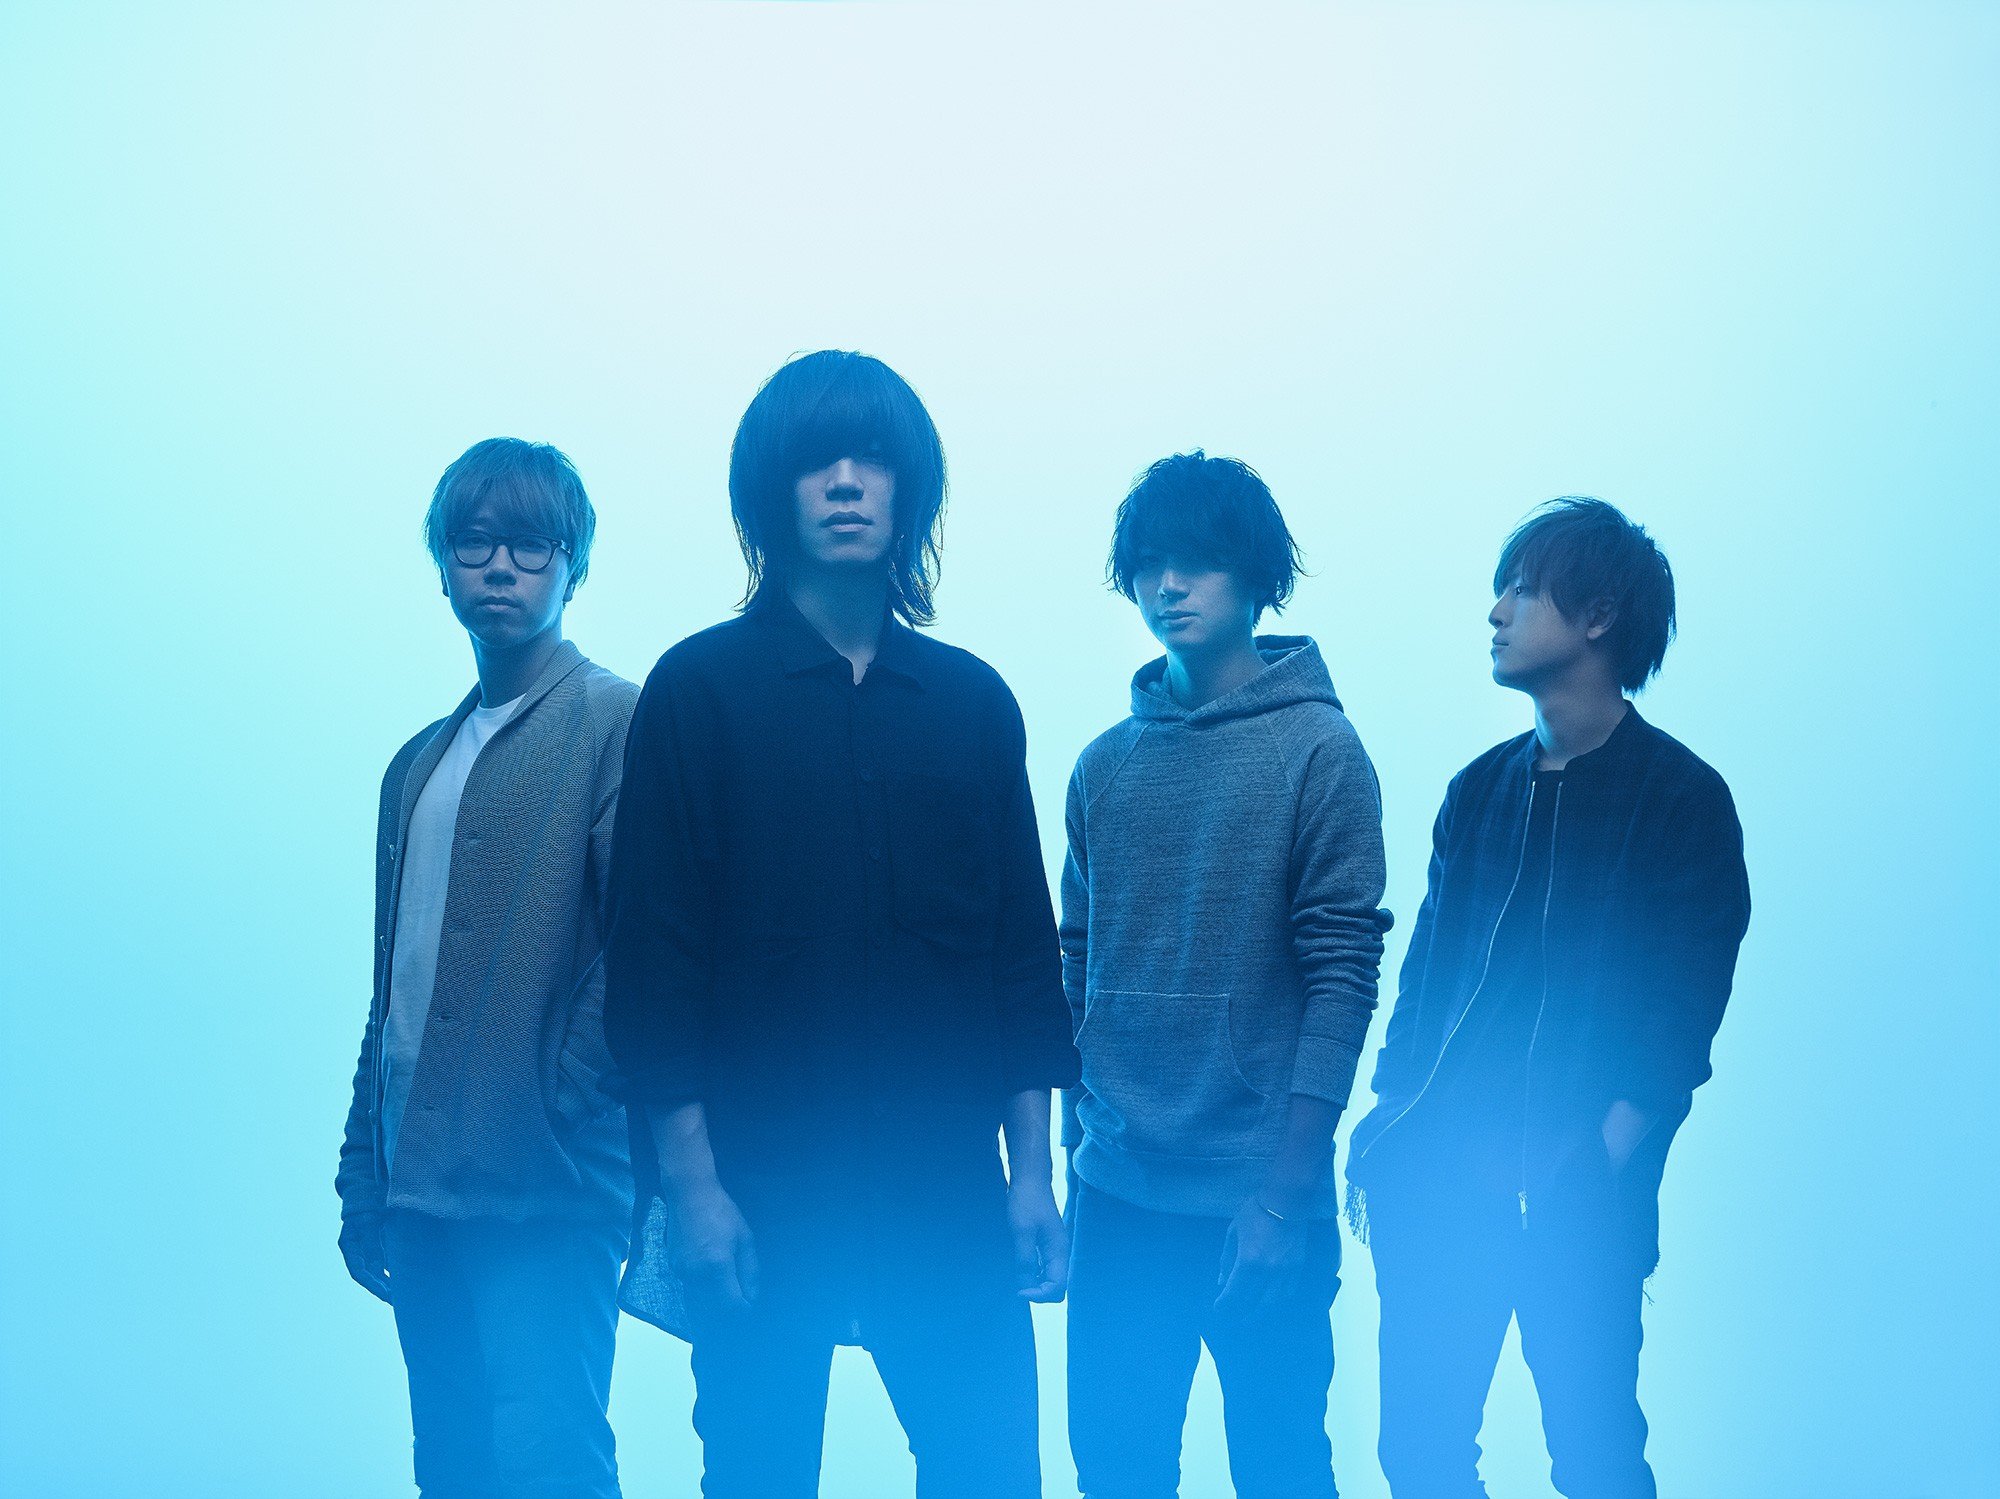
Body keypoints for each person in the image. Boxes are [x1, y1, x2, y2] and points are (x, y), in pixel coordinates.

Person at [605, 350, 1078, 1499]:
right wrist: (692, 1190)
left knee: (989, 1471)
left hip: (946, 1185)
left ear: (910, 489)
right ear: (770, 492)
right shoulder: (697, 691)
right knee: (758, 1473)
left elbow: (1021, 953)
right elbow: (654, 963)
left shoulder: (971, 702)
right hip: (759, 1184)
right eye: (816, 459)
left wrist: (1030, 1174)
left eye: (873, 457)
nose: (847, 480)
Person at [1346, 497, 1752, 1499]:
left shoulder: (1681, 798)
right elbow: (1426, 977)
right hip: (1443, 1181)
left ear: (1599, 614)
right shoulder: (1478, 790)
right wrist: (1391, 1112)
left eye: (1522, 590)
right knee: (1422, 1457)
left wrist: (1597, 1158)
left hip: (1578, 1194)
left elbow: (1681, 1011)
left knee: (1595, 1458)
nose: (1495, 611)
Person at [1060, 451, 1393, 1499]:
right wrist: (1075, 1150)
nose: (1168, 585)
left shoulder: (1320, 751)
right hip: (1116, 1195)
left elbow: (1342, 973)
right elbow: (1074, 964)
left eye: (1197, 561)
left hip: (1259, 1196)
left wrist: (1286, 1195)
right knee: (1115, 1473)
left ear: (1255, 576)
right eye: (1149, 563)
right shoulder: (1103, 763)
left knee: (1282, 1469)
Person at [335, 438, 638, 1499]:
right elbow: (396, 987)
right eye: (474, 541)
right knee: (452, 1469)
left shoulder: (616, 718)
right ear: (443, 565)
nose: (500, 564)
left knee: (550, 1462)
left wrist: (554, 1098)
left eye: (530, 543)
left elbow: (640, 950)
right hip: (417, 1192)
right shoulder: (415, 763)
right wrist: (362, 1171)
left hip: (548, 1190)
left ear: (572, 565)